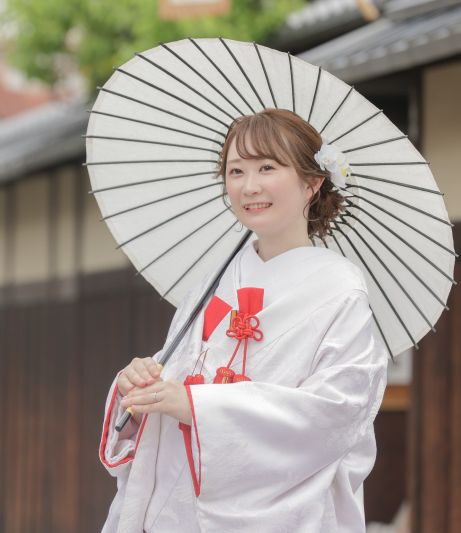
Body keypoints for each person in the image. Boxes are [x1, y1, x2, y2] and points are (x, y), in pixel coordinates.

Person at [98, 108, 388, 533]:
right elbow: (178, 372)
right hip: (175, 506)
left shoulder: (338, 290)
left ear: (312, 182)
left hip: (278, 515)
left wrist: (200, 407)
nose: (248, 186)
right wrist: (140, 385)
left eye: (267, 167)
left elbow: (337, 412)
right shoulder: (214, 281)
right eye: (236, 171)